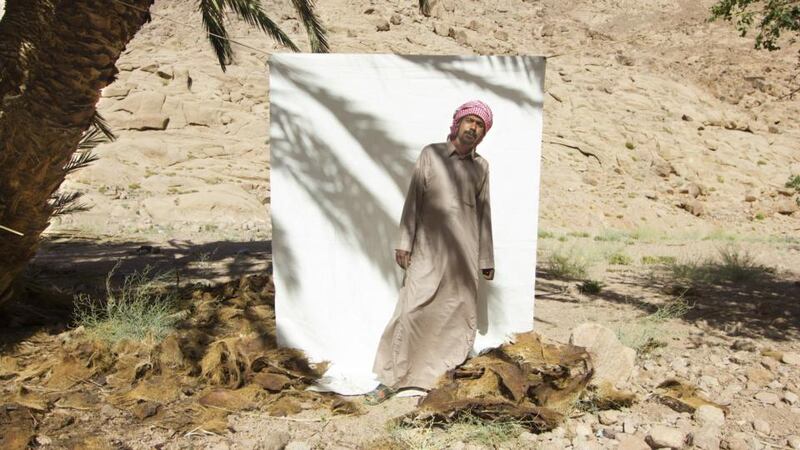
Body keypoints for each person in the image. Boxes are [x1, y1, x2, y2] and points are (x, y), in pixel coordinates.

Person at [367, 100, 495, 404]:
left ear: (483, 132)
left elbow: (484, 214)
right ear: (458, 123)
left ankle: (441, 378)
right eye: (470, 122)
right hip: (427, 250)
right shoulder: (431, 154)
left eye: (480, 125)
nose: (473, 128)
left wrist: (486, 259)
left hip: (464, 256)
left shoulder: (481, 167)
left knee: (455, 315)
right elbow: (413, 199)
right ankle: (391, 379)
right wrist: (405, 241)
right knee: (410, 311)